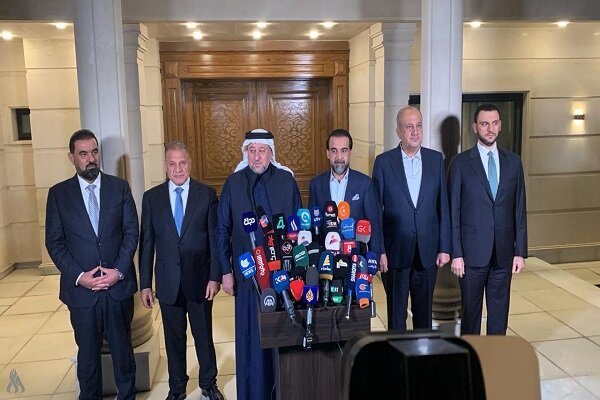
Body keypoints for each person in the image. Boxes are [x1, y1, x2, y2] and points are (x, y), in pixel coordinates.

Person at [45, 129, 138, 399]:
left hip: (117, 288)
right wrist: (79, 277)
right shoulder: (59, 195)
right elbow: (55, 243)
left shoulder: (119, 188)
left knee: (123, 354)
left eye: (94, 152)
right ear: (72, 157)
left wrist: (118, 271)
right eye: (83, 153)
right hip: (82, 293)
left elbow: (131, 232)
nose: (91, 159)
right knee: (87, 358)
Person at [216, 128, 301, 400]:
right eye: (251, 151)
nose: (256, 156)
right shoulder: (233, 183)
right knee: (251, 338)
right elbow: (222, 230)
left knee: (280, 333)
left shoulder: (286, 182)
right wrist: (225, 272)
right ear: (245, 153)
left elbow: (297, 229)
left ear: (271, 152)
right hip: (247, 276)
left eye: (262, 151)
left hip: (281, 275)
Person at [138, 142, 224, 400]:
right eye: (172, 164)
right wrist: (145, 284)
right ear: (165, 166)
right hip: (167, 283)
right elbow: (147, 245)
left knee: (203, 336)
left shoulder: (206, 194)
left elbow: (214, 239)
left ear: (190, 164)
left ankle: (209, 384)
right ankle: (177, 389)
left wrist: (215, 277)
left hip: (200, 281)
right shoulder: (151, 198)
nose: (178, 169)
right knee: (174, 339)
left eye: (182, 163)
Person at [448, 103, 527, 335]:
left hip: (503, 254)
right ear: (475, 127)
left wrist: (520, 252)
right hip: (471, 255)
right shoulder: (460, 163)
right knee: (471, 316)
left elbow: (519, 208)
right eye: (484, 124)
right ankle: (472, 355)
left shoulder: (514, 162)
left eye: (494, 123)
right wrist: (456, 254)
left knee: (499, 316)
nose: (490, 129)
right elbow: (453, 211)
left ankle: (495, 355)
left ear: (500, 125)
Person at [372, 106, 451, 332]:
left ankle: (420, 352)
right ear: (398, 131)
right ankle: (397, 353)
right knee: (397, 316)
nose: (415, 132)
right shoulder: (384, 162)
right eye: (409, 127)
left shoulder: (435, 160)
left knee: (423, 315)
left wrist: (444, 247)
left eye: (418, 126)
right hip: (395, 253)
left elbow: (443, 206)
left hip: (427, 252)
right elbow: (376, 211)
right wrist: (379, 250)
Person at [308, 128, 382, 255]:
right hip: (326, 258)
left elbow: (374, 225)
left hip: (356, 257)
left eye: (344, 150)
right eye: (334, 151)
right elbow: (312, 226)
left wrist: (376, 256)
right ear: (327, 153)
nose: (339, 157)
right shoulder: (316, 184)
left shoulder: (364, 184)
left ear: (350, 153)